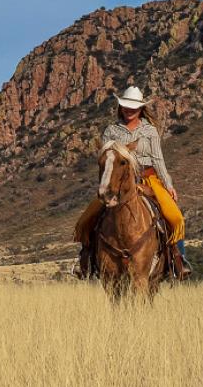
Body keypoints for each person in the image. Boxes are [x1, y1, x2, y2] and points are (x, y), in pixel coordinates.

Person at [73, 86, 190, 279]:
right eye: (126, 106)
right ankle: (84, 259)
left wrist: (168, 185)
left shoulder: (149, 131)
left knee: (175, 217)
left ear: (141, 109)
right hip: (117, 183)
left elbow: (158, 160)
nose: (129, 110)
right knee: (86, 219)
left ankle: (178, 259)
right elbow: (105, 161)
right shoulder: (111, 131)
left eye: (133, 107)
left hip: (148, 178)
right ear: (121, 107)